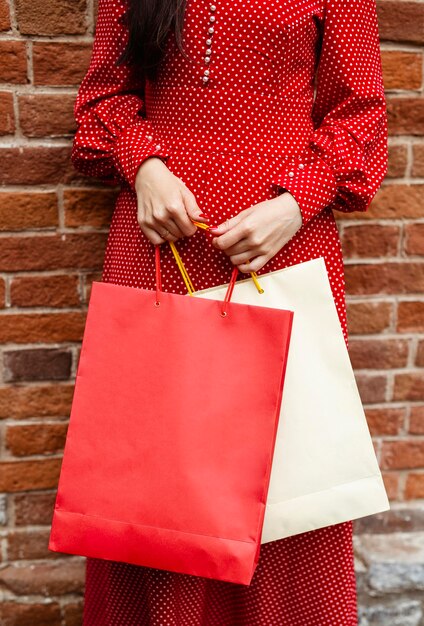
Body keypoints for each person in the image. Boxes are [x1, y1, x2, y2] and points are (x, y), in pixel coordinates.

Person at [71, 0, 388, 623]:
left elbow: (361, 118)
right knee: (151, 482)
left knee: (290, 479)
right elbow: (102, 97)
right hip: (159, 248)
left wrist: (297, 203)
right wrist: (145, 166)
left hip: (282, 252)